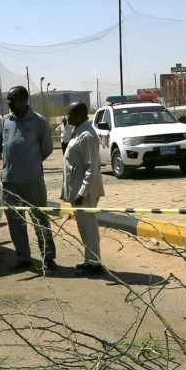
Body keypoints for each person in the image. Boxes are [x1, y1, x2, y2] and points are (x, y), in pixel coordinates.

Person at [0, 85, 55, 271]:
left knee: (39, 218)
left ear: (23, 100)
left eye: (12, 100)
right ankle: (23, 258)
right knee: (15, 221)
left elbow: (47, 149)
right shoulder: (5, 121)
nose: (8, 103)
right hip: (10, 180)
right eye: (8, 99)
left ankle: (48, 258)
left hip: (32, 180)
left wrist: (31, 164)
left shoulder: (38, 121)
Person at [60, 102, 104, 274]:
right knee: (84, 228)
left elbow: (92, 168)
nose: (67, 117)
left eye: (70, 114)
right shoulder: (78, 131)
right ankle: (89, 260)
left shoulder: (87, 135)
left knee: (89, 228)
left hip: (84, 193)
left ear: (79, 114)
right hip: (78, 191)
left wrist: (82, 193)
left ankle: (94, 264)